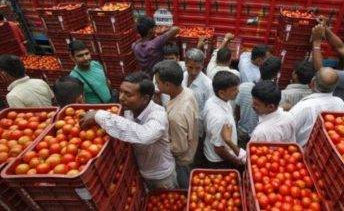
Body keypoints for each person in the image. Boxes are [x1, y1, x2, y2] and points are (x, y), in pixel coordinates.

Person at [79, 72, 177, 190]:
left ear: (145, 99)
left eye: (128, 94)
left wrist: (100, 116)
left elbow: (144, 135)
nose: (121, 98)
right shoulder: (129, 109)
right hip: (141, 170)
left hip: (161, 176)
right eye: (121, 91)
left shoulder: (158, 116)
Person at [154, 60, 199, 189]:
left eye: (158, 82)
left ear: (168, 85)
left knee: (183, 181)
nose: (156, 85)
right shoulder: (187, 92)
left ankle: (187, 192)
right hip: (193, 146)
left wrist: (161, 145)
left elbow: (180, 148)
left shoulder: (175, 117)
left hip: (182, 159)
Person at [290, 68, 344, 147]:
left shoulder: (303, 107)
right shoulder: (340, 104)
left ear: (313, 82)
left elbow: (287, 132)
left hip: (300, 153)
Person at [203, 71, 245, 169]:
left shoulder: (216, 100)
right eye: (234, 89)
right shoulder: (218, 118)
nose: (238, 92)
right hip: (219, 160)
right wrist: (236, 161)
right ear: (221, 93)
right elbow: (218, 149)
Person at [234, 81, 259, 149]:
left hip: (242, 129)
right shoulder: (270, 93)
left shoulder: (243, 86)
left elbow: (237, 107)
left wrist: (238, 121)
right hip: (253, 132)